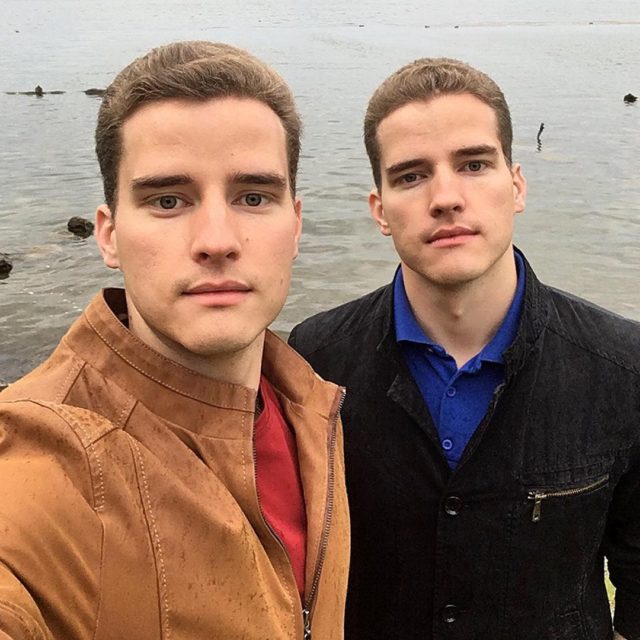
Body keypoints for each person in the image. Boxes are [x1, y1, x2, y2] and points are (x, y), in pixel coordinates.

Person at [0, 41, 349, 640]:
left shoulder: (312, 405)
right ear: (108, 235)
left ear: (295, 225)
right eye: (167, 200)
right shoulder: (47, 461)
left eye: (253, 197)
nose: (217, 240)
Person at [289, 57, 640, 640]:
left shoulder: (622, 366)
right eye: (411, 176)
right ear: (379, 210)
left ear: (516, 185)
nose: (446, 197)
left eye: (474, 165)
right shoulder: (316, 359)